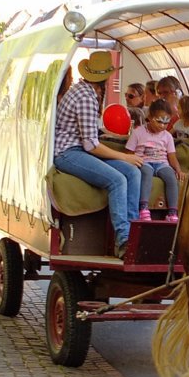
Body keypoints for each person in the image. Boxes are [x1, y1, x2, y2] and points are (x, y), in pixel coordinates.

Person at [53, 51, 142, 259]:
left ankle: (133, 234)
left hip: (77, 148)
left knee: (133, 173)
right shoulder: (86, 98)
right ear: (106, 78)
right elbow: (91, 145)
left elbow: (90, 136)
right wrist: (125, 156)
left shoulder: (83, 91)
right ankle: (124, 241)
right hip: (67, 152)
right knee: (118, 180)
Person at [125, 99, 187, 223]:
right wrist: (133, 162)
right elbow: (129, 152)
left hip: (161, 163)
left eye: (166, 123)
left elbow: (171, 156)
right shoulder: (138, 132)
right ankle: (143, 208)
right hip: (144, 161)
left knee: (171, 177)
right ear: (150, 117)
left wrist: (178, 170)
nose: (162, 126)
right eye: (159, 121)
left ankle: (172, 212)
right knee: (146, 173)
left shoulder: (167, 136)